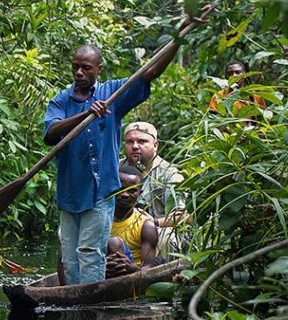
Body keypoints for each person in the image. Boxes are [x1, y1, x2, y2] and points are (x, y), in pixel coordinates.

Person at [44, 33, 184, 287]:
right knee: (69, 258)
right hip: (70, 192)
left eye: (86, 68)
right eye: (75, 66)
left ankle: (89, 302)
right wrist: (85, 114)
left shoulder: (112, 93)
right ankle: (73, 300)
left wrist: (177, 40)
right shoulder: (61, 101)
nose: (78, 73)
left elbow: (150, 72)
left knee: (89, 252)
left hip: (101, 193)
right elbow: (51, 135)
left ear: (99, 69)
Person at [121, 121, 186, 229]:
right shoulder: (114, 169)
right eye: (130, 142)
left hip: (156, 231)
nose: (135, 146)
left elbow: (184, 216)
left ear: (155, 145)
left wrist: (151, 223)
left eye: (142, 141)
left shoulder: (170, 174)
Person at [105, 164, 158, 278]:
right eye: (120, 189)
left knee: (114, 243)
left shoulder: (146, 226)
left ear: (140, 193)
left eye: (132, 191)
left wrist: (130, 268)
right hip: (101, 268)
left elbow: (148, 268)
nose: (124, 195)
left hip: (129, 276)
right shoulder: (99, 218)